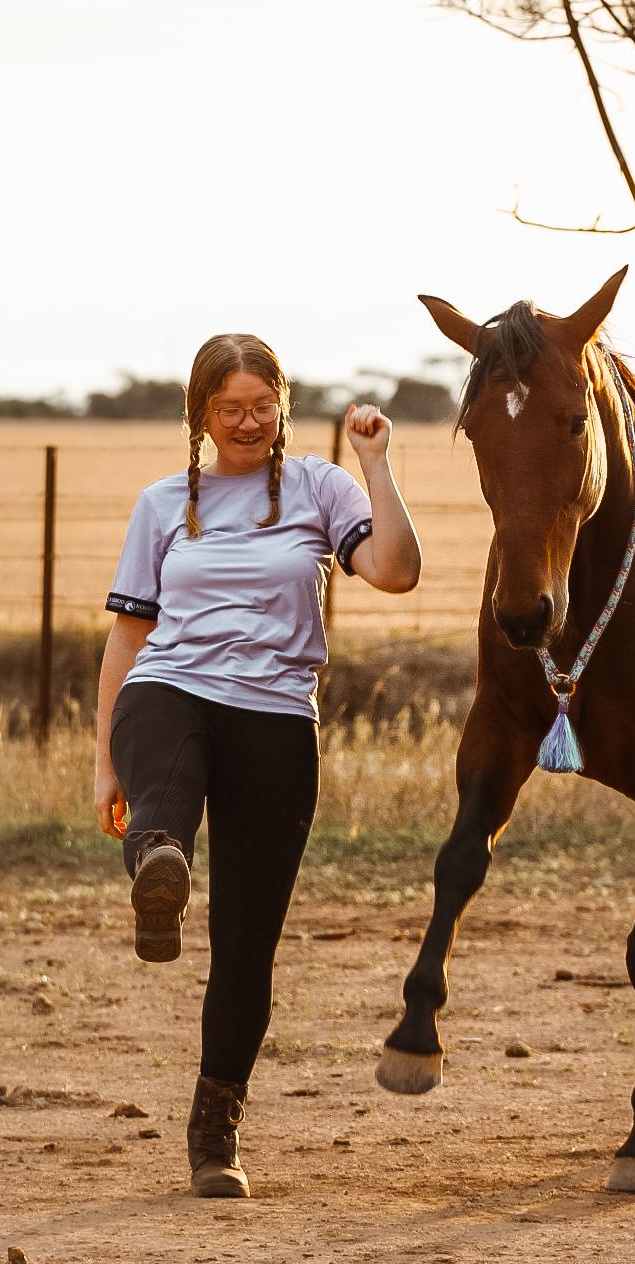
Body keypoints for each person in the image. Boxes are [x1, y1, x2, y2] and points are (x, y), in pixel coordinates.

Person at [93, 333, 421, 1198]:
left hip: (275, 716)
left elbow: (394, 571)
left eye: (261, 404)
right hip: (172, 689)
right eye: (228, 408)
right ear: (199, 415)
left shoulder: (321, 486)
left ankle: (215, 1127)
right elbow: (129, 638)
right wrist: (103, 764)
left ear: (281, 402)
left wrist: (376, 463)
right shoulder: (162, 504)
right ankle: (159, 862)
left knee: (247, 942)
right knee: (163, 769)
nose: (247, 422)